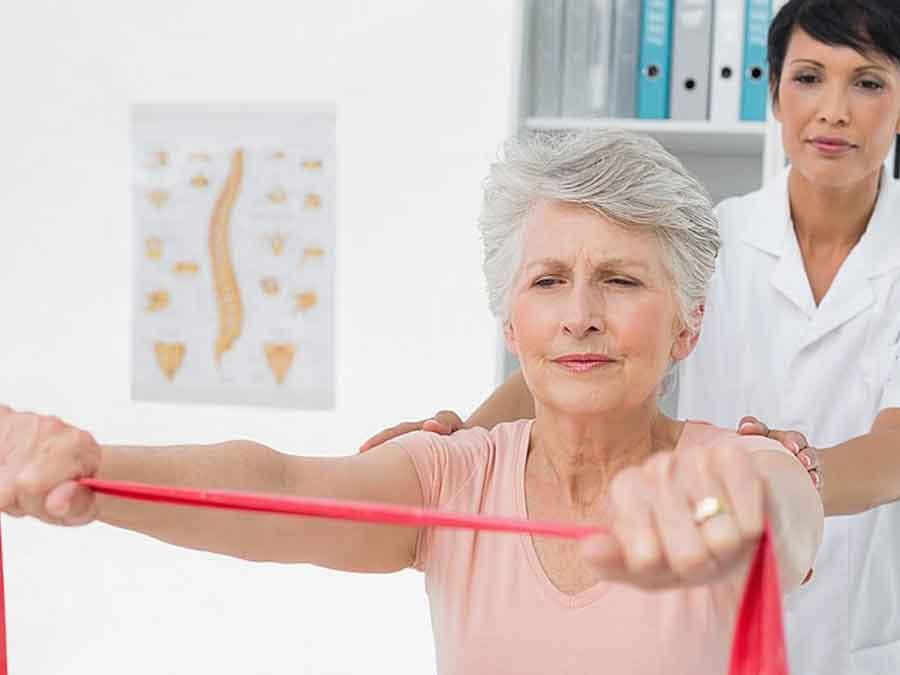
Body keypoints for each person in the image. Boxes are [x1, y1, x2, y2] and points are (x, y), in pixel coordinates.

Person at [0, 129, 823, 675]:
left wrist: (718, 508)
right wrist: (94, 473)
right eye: (548, 280)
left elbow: (779, 503)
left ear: (688, 324)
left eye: (621, 278)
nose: (580, 312)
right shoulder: (451, 475)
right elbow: (276, 485)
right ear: (510, 318)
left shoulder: (738, 462)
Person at [361, 2, 900, 673]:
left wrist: (786, 480)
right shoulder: (711, 240)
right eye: (809, 77)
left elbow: (893, 449)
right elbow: (578, 355)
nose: (834, 111)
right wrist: (460, 454)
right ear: (773, 92)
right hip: (686, 610)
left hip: (849, 626)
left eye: (869, 82)